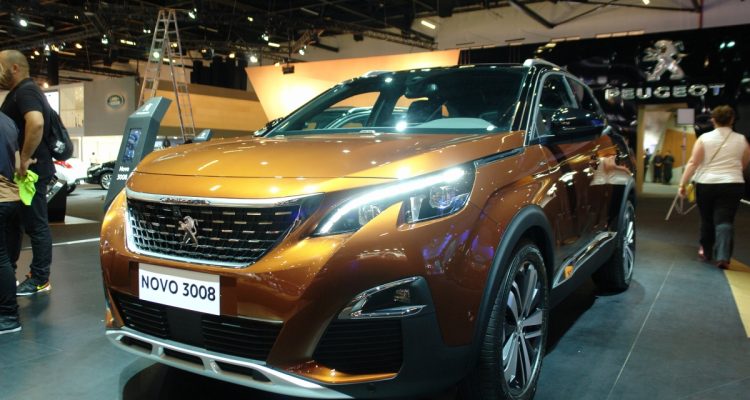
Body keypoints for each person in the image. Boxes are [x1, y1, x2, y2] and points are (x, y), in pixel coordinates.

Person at [0, 50, 54, 295]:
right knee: (14, 225)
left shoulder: (26, 91)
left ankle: (40, 278)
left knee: (35, 224)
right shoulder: (20, 92)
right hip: (22, 174)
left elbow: (37, 122)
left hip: (31, 172)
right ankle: (7, 274)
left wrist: (23, 159)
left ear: (14, 68)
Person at [678, 105, 750, 269]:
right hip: (733, 184)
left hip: (706, 184)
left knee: (707, 219)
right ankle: (723, 256)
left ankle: (706, 251)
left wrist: (683, 183)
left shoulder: (704, 138)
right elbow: (744, 162)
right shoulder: (742, 139)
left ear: (713, 120)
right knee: (725, 219)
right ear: (732, 119)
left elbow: (693, 162)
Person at [0, 110, 21, 334]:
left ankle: (8, 316)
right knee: (5, 258)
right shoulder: (8, 121)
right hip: (11, 195)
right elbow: (17, 164)